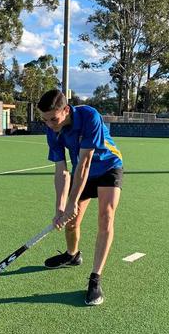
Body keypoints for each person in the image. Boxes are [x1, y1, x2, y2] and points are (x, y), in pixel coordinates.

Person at [38, 89, 123, 306]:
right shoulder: (52, 130)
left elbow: (85, 162)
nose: (50, 124)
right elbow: (61, 170)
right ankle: (72, 254)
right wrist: (60, 208)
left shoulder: (89, 116)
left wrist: (73, 201)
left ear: (66, 110)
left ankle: (95, 278)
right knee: (71, 223)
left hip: (108, 166)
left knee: (105, 217)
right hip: (80, 172)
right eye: (45, 120)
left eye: (53, 119)